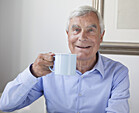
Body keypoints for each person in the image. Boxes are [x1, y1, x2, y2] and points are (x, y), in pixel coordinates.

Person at [0, 5, 130, 113]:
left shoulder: (118, 73)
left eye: (90, 30)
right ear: (68, 35)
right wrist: (32, 72)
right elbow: (6, 105)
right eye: (76, 30)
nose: (82, 37)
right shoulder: (48, 70)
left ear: (101, 36)